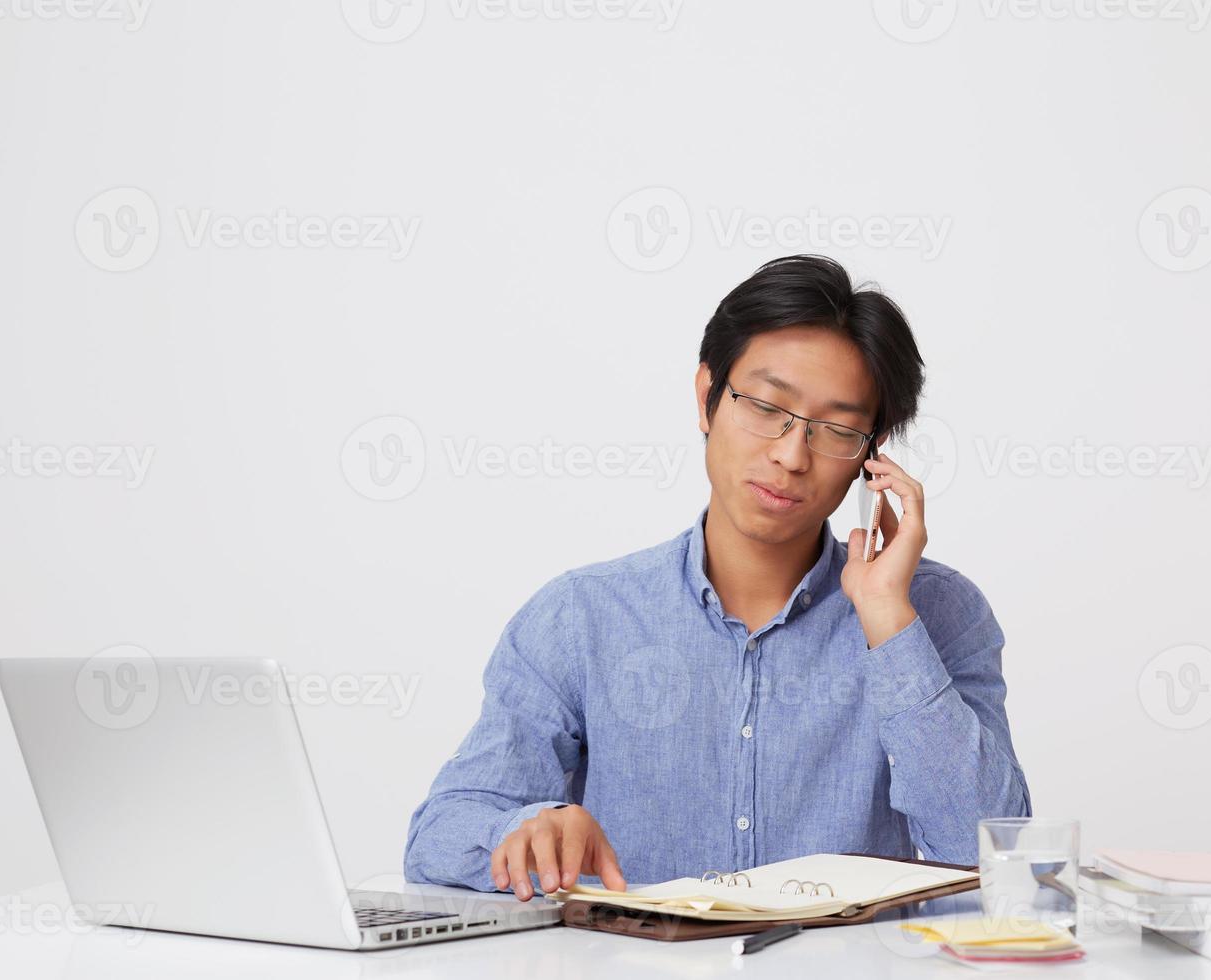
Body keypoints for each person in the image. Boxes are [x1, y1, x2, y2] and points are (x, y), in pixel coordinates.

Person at [404, 255, 1030, 901]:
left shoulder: (937, 612)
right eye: (764, 406)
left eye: (839, 429)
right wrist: (526, 830)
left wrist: (888, 621)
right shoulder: (580, 617)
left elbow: (993, 858)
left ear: (872, 457)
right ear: (707, 397)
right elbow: (439, 836)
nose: (790, 456)